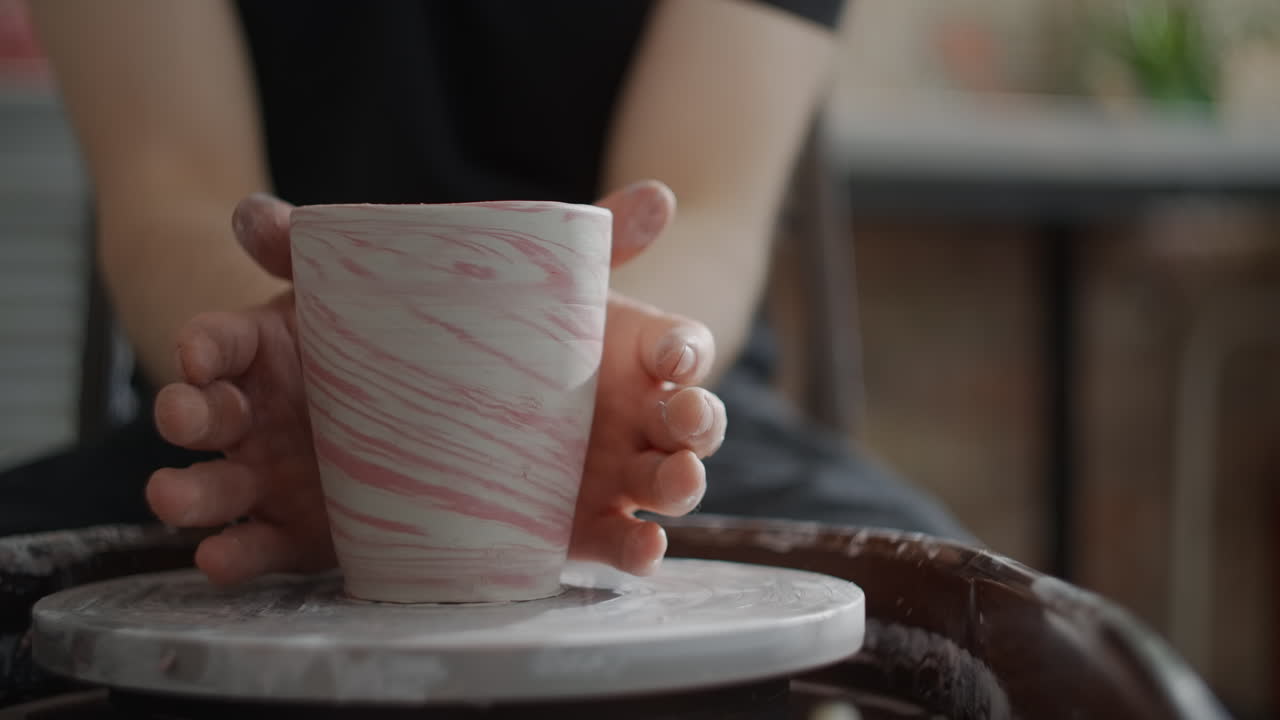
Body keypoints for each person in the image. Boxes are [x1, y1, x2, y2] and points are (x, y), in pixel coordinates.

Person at [5, 0, 972, 585]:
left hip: (624, 422)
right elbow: (172, 194)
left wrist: (593, 376)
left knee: (1001, 639)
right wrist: (310, 383)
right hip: (271, 421)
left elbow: (704, 204)